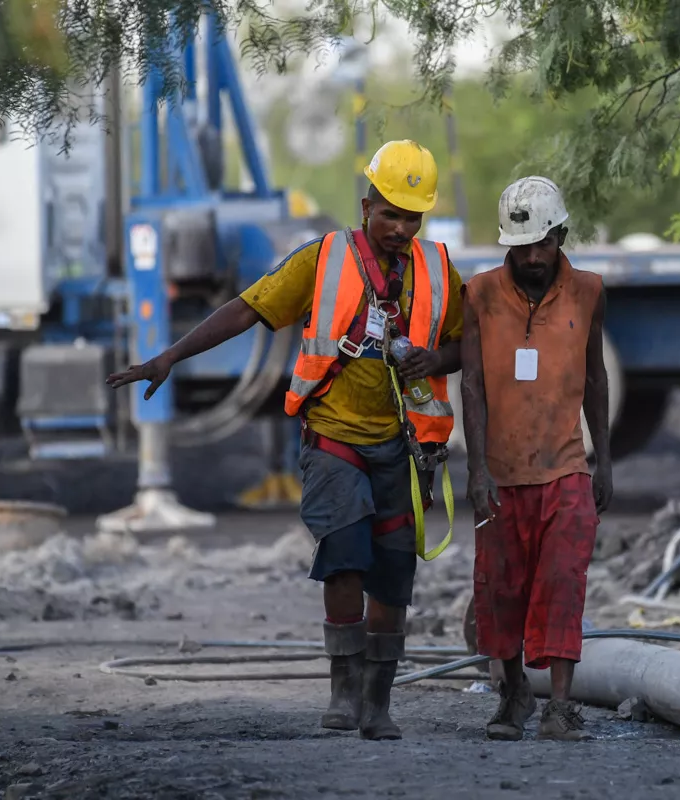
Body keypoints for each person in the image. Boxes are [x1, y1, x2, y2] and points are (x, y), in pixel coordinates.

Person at [106, 139, 464, 741]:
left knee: (395, 573)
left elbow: (465, 342)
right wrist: (170, 356)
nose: (401, 228)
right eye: (390, 214)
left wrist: (435, 356)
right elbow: (247, 309)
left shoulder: (437, 269)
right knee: (345, 557)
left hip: (404, 446)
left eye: (412, 217)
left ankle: (379, 700)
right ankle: (344, 689)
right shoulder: (323, 259)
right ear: (366, 205)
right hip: (334, 439)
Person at [459, 176, 613, 742]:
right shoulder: (478, 294)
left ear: (561, 236)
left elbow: (595, 377)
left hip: (566, 467)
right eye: (519, 246)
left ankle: (560, 708)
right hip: (499, 472)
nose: (530, 257)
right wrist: (476, 469)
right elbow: (470, 383)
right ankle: (511, 697)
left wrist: (606, 461)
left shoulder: (590, 292)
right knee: (497, 587)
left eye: (540, 244)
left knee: (563, 581)